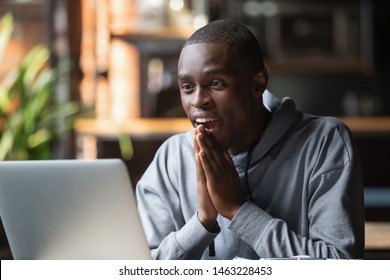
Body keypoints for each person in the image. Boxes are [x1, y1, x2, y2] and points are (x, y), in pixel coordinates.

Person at [135, 19, 365, 260]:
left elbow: (341, 265)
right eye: (187, 87)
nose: (198, 101)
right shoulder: (171, 157)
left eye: (215, 83)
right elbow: (141, 268)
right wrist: (202, 221)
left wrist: (238, 210)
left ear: (258, 84)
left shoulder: (323, 142)